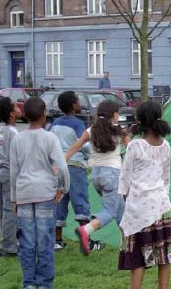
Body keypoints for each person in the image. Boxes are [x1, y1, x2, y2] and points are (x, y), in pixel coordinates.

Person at [118, 101, 171, 289]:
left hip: (139, 207)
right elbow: (166, 178)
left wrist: (126, 199)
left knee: (137, 257)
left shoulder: (135, 146)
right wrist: (162, 197)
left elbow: (125, 178)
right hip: (161, 207)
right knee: (164, 253)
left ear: (140, 120)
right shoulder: (166, 146)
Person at [10, 97, 70, 289]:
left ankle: (29, 283)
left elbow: (13, 171)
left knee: (26, 241)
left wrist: (14, 198)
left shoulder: (17, 139)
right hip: (45, 194)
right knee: (45, 240)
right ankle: (44, 283)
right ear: (44, 114)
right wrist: (63, 188)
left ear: (25, 115)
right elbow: (61, 166)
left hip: (24, 194)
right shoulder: (50, 137)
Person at [65, 100, 131, 256]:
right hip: (113, 175)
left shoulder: (91, 130)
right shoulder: (119, 131)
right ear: (114, 114)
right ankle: (86, 230)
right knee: (110, 210)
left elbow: (77, 145)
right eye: (117, 113)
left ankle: (128, 243)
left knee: (120, 207)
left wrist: (62, 160)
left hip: (96, 176)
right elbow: (131, 150)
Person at [49, 91, 103, 252]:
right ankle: (87, 240)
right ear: (73, 105)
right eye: (78, 101)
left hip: (58, 167)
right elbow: (84, 146)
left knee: (59, 201)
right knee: (80, 201)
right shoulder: (78, 124)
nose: (80, 104)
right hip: (75, 166)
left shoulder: (55, 124)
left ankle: (57, 240)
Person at [0, 97, 21, 258]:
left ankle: (7, 241)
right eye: (15, 106)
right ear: (11, 114)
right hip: (10, 173)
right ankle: (9, 247)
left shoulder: (2, 130)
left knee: (3, 209)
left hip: (0, 172)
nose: (19, 107)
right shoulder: (14, 133)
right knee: (11, 209)